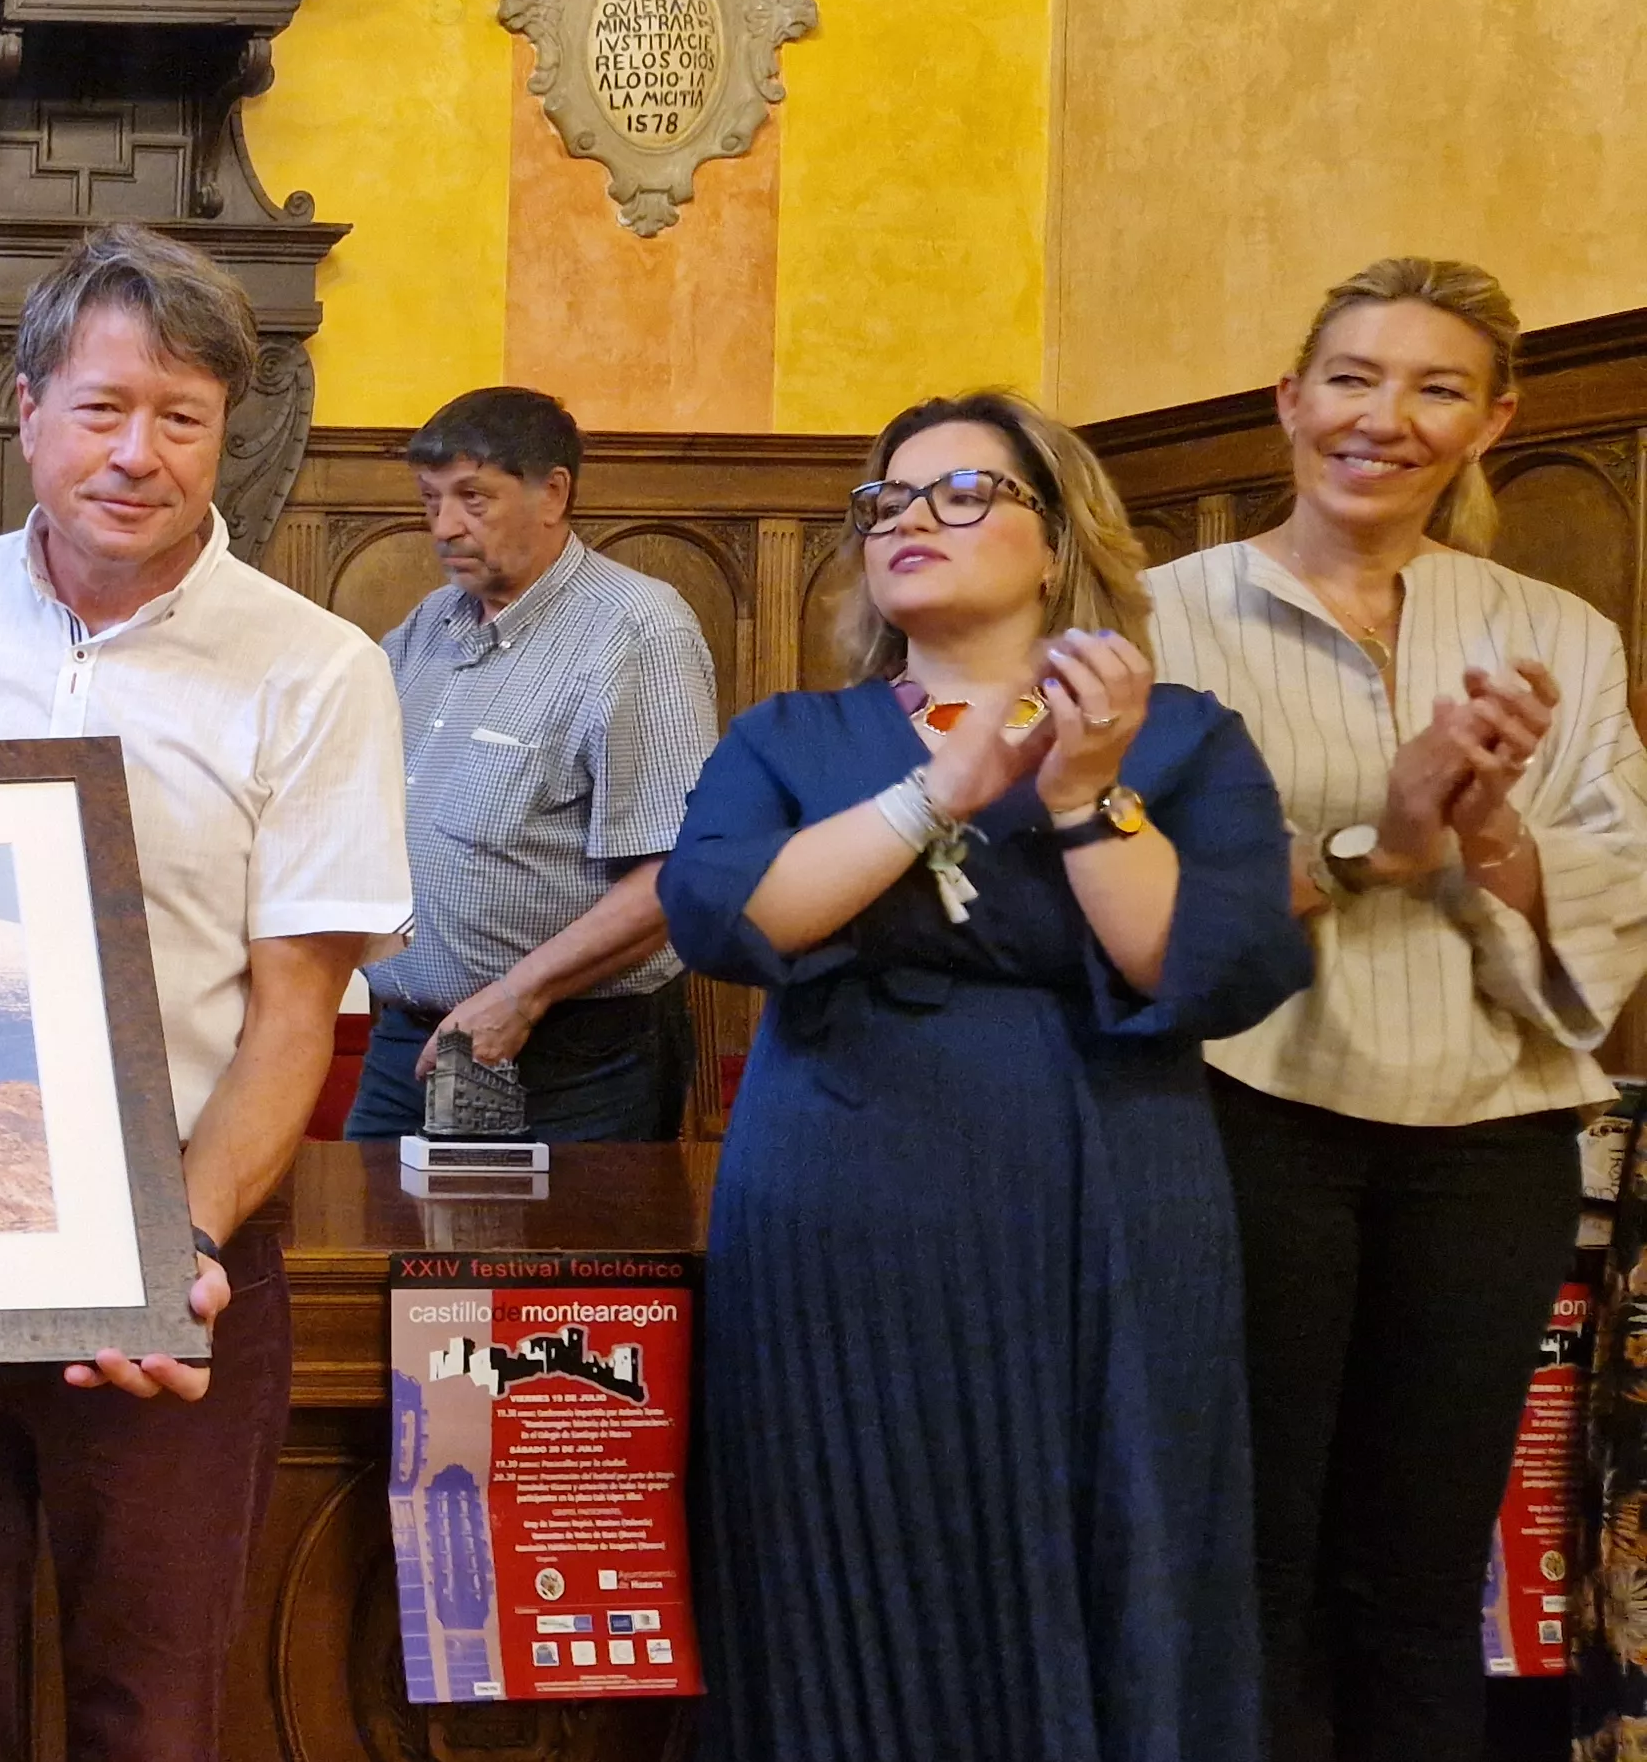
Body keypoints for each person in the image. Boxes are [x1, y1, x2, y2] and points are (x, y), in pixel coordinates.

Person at [0, 222, 413, 1758]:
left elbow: (297, 1014)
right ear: (26, 409)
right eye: (101, 407)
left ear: (224, 433)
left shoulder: (317, 669)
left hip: (180, 1263)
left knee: (155, 1712)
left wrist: (175, 1251)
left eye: (180, 417)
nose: (137, 453)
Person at [662, 391, 1311, 1762]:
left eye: (963, 493)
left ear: (1060, 535)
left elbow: (1197, 961)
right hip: (842, 1191)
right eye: (888, 499)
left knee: (1114, 1524)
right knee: (842, 1531)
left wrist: (1085, 791)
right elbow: (727, 916)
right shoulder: (792, 735)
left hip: (1108, 1188)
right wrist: (935, 792)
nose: (910, 519)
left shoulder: (1185, 739)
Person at [1141, 258, 1647, 1761]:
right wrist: (1386, 832)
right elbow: (1134, 898)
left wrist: (1492, 835)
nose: (1387, 418)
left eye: (1436, 388)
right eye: (1354, 379)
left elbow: (1605, 916)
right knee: (1257, 1562)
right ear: (1291, 403)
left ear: (1494, 420)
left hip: (1489, 1138)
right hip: (1244, 1111)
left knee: (1424, 1575)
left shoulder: (1557, 634)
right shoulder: (1164, 618)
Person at [347, 386, 716, 1142]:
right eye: (431, 500)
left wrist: (519, 996)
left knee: (545, 1267)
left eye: (473, 498)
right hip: (408, 1043)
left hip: (569, 1057)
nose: (445, 526)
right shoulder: (427, 627)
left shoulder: (639, 631)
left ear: (553, 493)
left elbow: (676, 876)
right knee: (364, 1255)